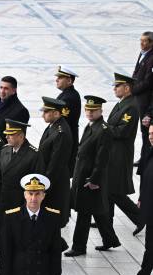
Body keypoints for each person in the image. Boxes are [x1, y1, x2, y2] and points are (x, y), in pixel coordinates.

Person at [68, 96, 119, 256]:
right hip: (84, 175)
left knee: (84, 212)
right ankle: (111, 240)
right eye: (87, 110)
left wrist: (94, 180)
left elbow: (102, 158)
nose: (89, 113)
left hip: (90, 179)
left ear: (100, 111)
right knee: (97, 210)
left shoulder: (104, 130)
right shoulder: (91, 126)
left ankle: (78, 247)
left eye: (93, 110)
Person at [0, 120, 44, 232]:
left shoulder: (33, 155)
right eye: (6, 133)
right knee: (3, 238)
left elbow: (37, 186)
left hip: (20, 205)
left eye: (10, 134)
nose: (6, 136)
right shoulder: (5, 150)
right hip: (3, 203)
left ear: (21, 136)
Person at [104, 73, 143, 234]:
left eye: (117, 86)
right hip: (113, 153)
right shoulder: (122, 103)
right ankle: (105, 220)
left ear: (127, 88)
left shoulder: (131, 106)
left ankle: (140, 217)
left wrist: (104, 128)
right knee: (109, 189)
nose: (114, 88)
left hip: (120, 155)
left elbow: (122, 131)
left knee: (115, 192)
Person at [37, 97, 74, 224]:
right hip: (50, 179)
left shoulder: (61, 132)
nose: (43, 115)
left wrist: (45, 184)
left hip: (55, 182)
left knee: (54, 220)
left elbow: (56, 163)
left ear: (57, 113)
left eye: (46, 112)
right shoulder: (52, 126)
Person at [125, 124, 153, 275]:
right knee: (150, 244)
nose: (151, 136)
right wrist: (142, 197)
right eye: (150, 133)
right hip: (150, 207)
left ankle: (144, 274)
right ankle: (144, 274)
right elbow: (146, 178)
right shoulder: (149, 152)